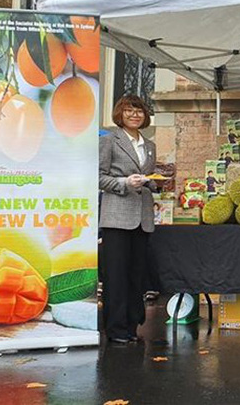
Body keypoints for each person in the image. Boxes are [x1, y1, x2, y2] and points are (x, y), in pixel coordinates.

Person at [99, 95, 157, 344]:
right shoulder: (110, 140)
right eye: (129, 111)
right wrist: (124, 182)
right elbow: (97, 177)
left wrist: (155, 180)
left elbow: (148, 177)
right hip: (116, 217)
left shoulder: (150, 145)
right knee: (116, 274)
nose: (135, 115)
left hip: (142, 218)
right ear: (119, 114)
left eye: (139, 111)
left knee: (136, 274)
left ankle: (132, 325)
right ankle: (115, 328)